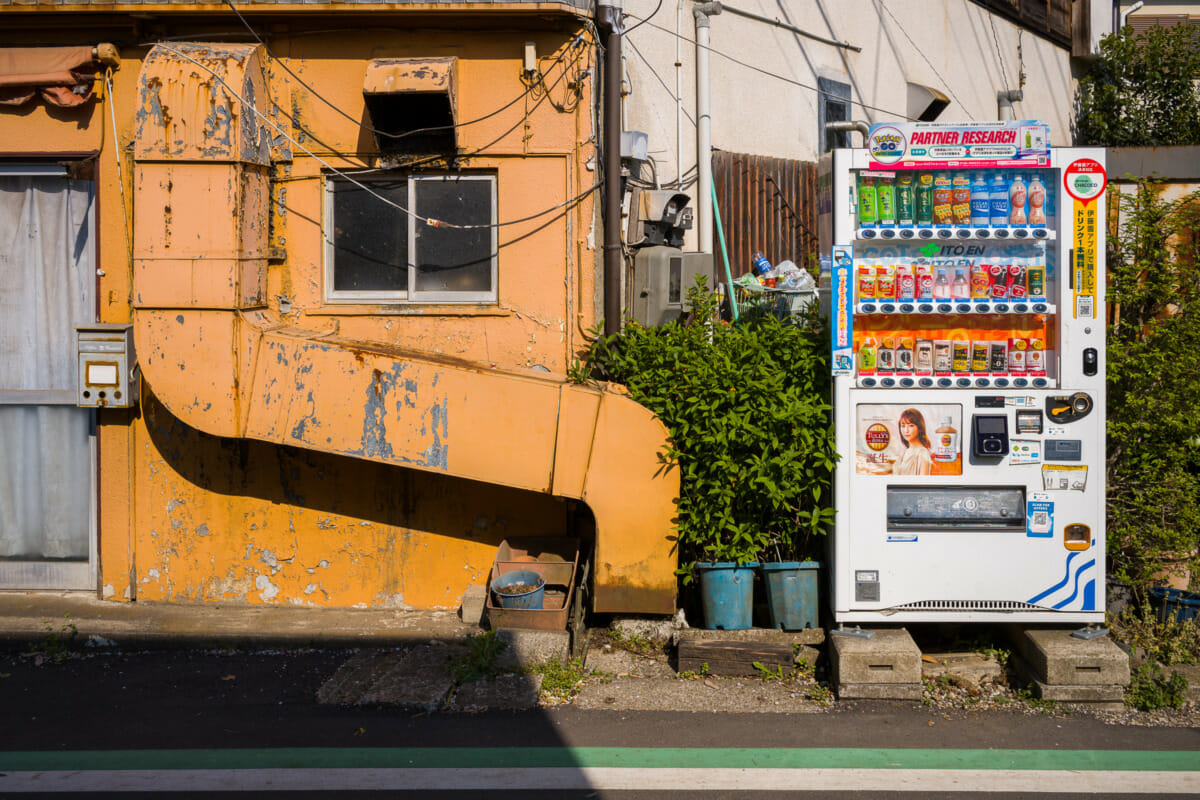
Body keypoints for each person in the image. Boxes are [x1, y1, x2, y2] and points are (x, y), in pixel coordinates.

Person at [894, 408, 933, 475]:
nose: (906, 430)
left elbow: (923, 483)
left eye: (911, 426)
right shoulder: (905, 451)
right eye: (903, 426)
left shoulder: (922, 453)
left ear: (919, 428)